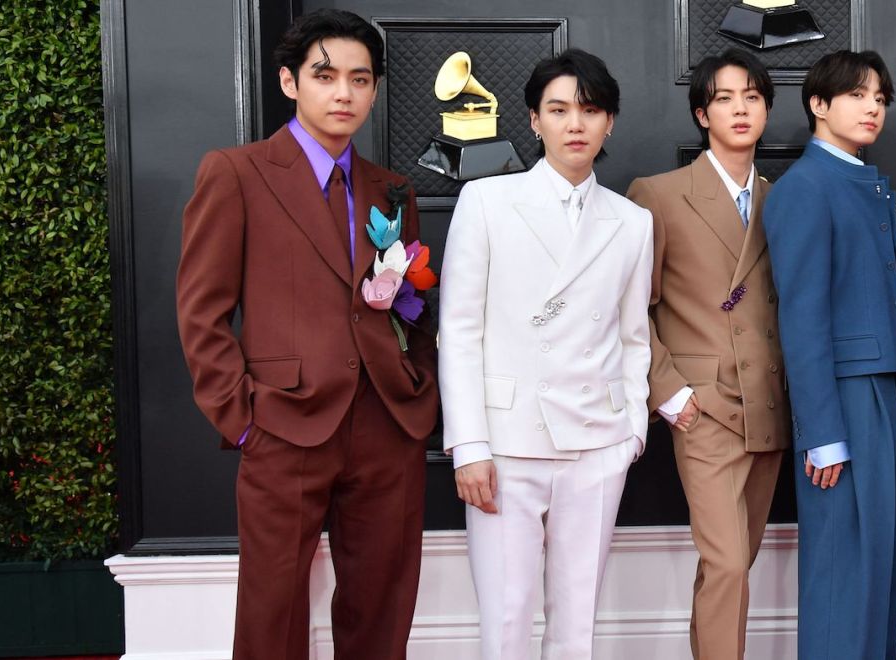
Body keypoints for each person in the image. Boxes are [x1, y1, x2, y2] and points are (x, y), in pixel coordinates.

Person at [174, 9, 438, 658]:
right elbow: (201, 311)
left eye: (359, 79)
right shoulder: (237, 172)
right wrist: (242, 420)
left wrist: (416, 393)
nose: (343, 92)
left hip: (386, 425)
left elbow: (410, 306)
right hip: (282, 423)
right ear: (290, 82)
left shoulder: (392, 189)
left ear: (374, 89)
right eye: (325, 76)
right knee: (272, 615)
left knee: (382, 611)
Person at [437, 49, 653, 659]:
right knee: (506, 619)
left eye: (590, 110)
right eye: (558, 110)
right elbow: (459, 330)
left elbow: (633, 336)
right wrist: (469, 445)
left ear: (609, 121)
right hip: (506, 445)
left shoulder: (632, 221)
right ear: (534, 120)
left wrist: (632, 432)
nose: (574, 124)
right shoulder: (486, 201)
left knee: (576, 623)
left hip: (597, 443)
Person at [625, 48, 790, 659]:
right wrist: (669, 392)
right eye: (724, 98)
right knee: (725, 563)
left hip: (769, 404)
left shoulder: (782, 198)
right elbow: (630, 307)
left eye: (752, 97)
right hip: (704, 407)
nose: (740, 109)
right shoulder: (659, 194)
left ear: (766, 110)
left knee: (735, 564)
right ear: (702, 113)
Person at [761, 50, 896, 660]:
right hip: (843, 400)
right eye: (857, 95)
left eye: (879, 98)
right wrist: (823, 433)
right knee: (843, 570)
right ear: (819, 104)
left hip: (884, 395)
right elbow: (801, 320)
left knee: (880, 567)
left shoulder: (864, 180)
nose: (872, 108)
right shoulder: (805, 188)